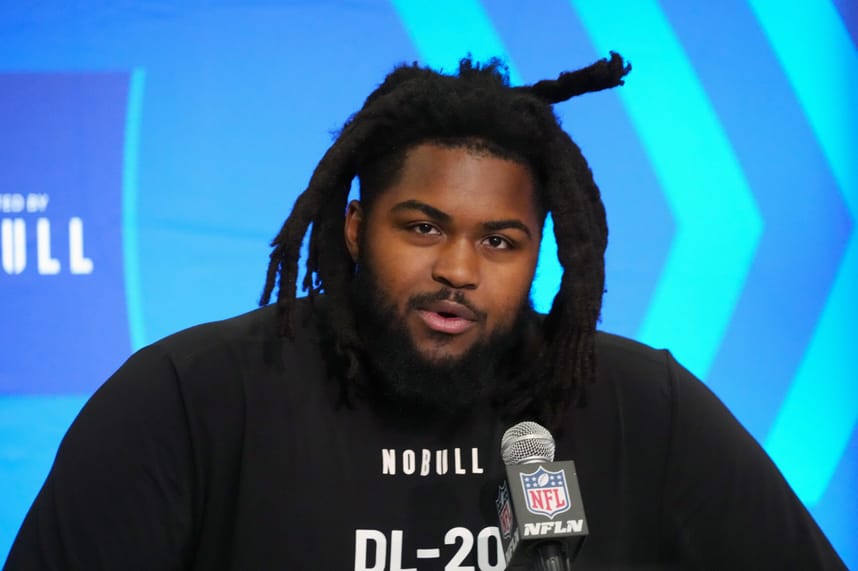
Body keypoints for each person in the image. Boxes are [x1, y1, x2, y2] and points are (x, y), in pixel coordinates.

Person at [3, 54, 845, 570]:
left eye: (500, 241)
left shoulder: (638, 406)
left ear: (540, 253)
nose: (458, 270)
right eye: (423, 227)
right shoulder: (190, 399)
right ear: (355, 227)